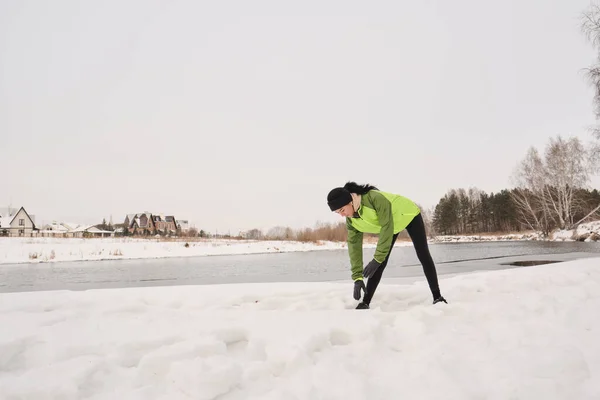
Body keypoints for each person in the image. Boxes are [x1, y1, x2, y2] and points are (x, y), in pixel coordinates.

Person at [327, 181, 447, 309]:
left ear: (350, 201)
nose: (342, 214)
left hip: (407, 214)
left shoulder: (374, 198)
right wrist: (357, 277)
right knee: (380, 262)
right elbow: (354, 246)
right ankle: (365, 302)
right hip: (391, 225)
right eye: (337, 212)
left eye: (342, 210)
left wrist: (377, 259)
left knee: (422, 254)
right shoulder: (352, 221)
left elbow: (386, 227)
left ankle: (437, 297)